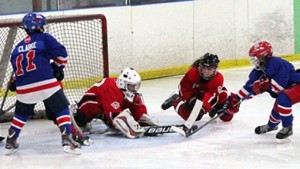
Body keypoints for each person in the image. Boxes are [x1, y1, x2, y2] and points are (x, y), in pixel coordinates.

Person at [4, 12, 81, 155]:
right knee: (62, 108)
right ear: (40, 27)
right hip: (46, 82)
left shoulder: (17, 48)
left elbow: (16, 71)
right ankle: (67, 137)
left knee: (20, 115)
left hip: (24, 86)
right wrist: (57, 68)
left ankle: (11, 141)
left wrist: (15, 82)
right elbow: (62, 56)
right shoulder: (45, 38)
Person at [225, 41, 300, 142]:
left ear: (263, 56)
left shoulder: (277, 63)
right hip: (289, 88)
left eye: (255, 58)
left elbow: (279, 86)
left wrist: (263, 86)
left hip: (297, 85)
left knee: (283, 98)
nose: (254, 61)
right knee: (278, 105)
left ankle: (287, 127)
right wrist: (237, 98)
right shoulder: (259, 69)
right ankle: (271, 126)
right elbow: (249, 86)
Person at [72, 67, 158, 139]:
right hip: (88, 109)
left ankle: (139, 118)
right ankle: (79, 120)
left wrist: (141, 116)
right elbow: (114, 117)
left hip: (103, 107)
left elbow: (135, 105)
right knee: (82, 122)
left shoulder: (122, 88)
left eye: (136, 86)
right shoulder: (111, 90)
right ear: (123, 83)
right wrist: (129, 125)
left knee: (134, 100)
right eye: (132, 86)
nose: (134, 88)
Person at [161, 53, 232, 123]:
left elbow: (212, 96)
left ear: (214, 69)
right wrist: (190, 99)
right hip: (196, 97)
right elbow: (183, 87)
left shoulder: (218, 78)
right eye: (204, 68)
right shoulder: (193, 73)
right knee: (192, 116)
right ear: (200, 66)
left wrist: (203, 108)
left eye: (209, 69)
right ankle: (175, 100)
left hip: (214, 98)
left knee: (227, 117)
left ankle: (212, 108)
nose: (205, 71)